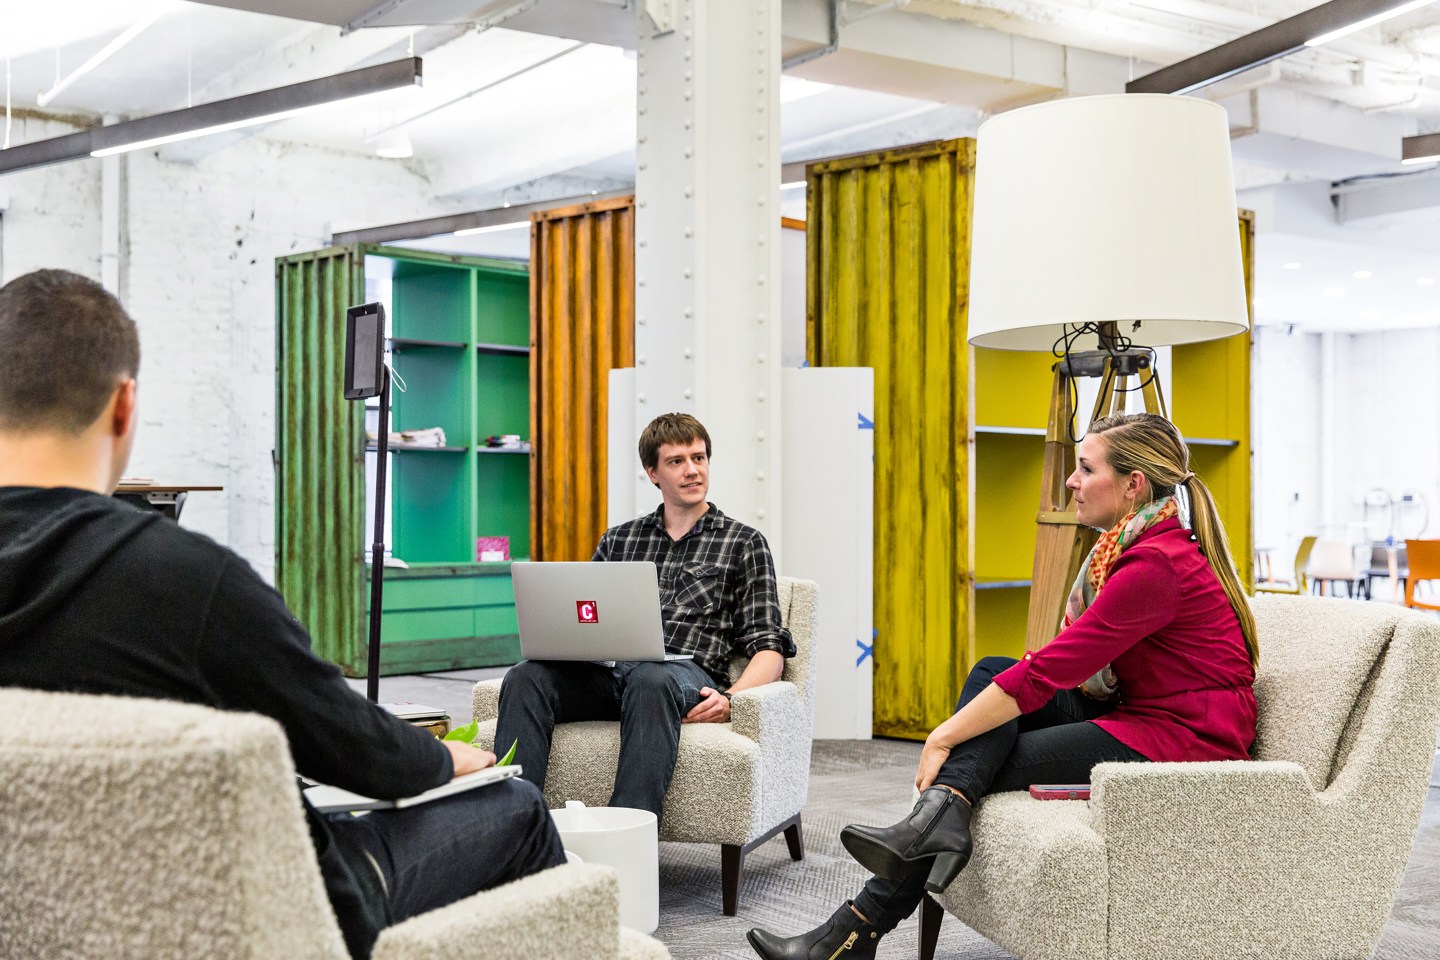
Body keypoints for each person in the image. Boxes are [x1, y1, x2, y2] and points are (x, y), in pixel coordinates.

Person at [0, 269, 565, 960]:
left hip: (37, 915)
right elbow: (359, 753)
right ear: (124, 406)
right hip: (249, 908)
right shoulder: (185, 580)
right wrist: (443, 756)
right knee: (517, 808)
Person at [747, 411, 1259, 960]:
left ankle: (854, 930)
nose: (1071, 481)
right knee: (992, 672)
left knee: (974, 759)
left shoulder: (1155, 565)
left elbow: (1050, 670)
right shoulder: (1135, 548)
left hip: (1185, 740)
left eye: (1087, 469)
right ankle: (923, 839)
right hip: (1141, 714)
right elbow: (1045, 669)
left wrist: (943, 734)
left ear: (1133, 485)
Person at [493, 412, 795, 820]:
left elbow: (770, 651)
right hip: (609, 675)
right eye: (677, 461)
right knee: (526, 676)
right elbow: (587, 621)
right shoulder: (620, 540)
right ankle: (512, 826)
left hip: (682, 677)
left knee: (652, 677)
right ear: (653, 473)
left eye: (699, 458)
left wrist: (730, 699)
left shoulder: (744, 543)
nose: (692, 470)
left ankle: (628, 833)